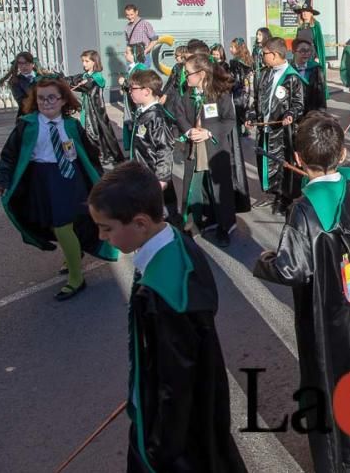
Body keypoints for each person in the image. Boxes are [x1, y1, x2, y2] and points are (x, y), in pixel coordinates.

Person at [87, 162, 245, 473]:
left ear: (141, 223)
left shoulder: (161, 293)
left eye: (107, 228)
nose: (102, 236)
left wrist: (158, 447)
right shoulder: (176, 242)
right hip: (199, 398)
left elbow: (175, 382)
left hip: (178, 428)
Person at [253, 113, 350, 471]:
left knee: (327, 382)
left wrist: (264, 260)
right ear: (342, 155)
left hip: (325, 316)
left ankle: (333, 461)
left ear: (298, 159)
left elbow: (291, 267)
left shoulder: (305, 209)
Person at [0, 76, 118, 300]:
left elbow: (90, 154)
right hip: (41, 181)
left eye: (52, 97)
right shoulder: (28, 125)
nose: (47, 102)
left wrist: (100, 179)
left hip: (70, 180)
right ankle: (74, 253)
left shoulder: (72, 125)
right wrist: (3, 180)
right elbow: (9, 155)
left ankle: (76, 278)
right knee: (54, 225)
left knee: (63, 226)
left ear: (63, 100)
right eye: (41, 98)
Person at [174, 55, 250, 246]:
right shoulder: (186, 93)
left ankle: (224, 227)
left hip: (215, 148)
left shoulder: (220, 94)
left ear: (201, 74)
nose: (185, 76)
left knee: (219, 189)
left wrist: (208, 132)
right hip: (194, 149)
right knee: (195, 187)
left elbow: (230, 119)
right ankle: (194, 222)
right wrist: (189, 130)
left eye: (188, 73)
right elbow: (179, 114)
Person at [247, 37, 305, 216]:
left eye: (264, 53)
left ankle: (284, 198)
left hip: (281, 132)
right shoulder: (263, 73)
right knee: (265, 162)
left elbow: (298, 104)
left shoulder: (292, 77)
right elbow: (256, 100)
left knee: (282, 165)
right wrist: (251, 116)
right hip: (264, 128)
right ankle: (271, 194)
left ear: (274, 54)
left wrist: (290, 114)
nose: (262, 56)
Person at [127, 68, 180, 228]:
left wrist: (162, 179)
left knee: (162, 217)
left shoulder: (157, 117)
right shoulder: (143, 112)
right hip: (143, 174)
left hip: (154, 178)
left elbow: (165, 148)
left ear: (147, 91)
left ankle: (175, 245)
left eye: (133, 89)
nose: (130, 92)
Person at [67, 50, 124, 165]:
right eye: (83, 61)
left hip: (96, 111)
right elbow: (74, 81)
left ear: (94, 62)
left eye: (87, 61)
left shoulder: (97, 77)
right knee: (90, 132)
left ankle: (102, 156)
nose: (84, 64)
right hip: (87, 110)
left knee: (98, 133)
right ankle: (96, 155)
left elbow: (88, 85)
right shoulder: (85, 76)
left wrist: (79, 83)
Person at [295, 3, 329, 100]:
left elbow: (318, 42)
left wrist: (318, 56)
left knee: (312, 78)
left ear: (311, 14)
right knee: (302, 76)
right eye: (303, 12)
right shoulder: (300, 26)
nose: (304, 14)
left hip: (312, 55)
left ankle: (314, 99)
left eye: (307, 12)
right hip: (301, 56)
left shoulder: (316, 25)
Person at [0, 51, 41, 119]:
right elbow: (22, 102)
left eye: (26, 63)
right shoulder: (15, 81)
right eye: (20, 64)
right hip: (28, 116)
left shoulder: (42, 77)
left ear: (32, 64)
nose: (23, 66)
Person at [292, 38, 327, 114]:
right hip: (293, 114)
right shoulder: (289, 70)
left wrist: (321, 113)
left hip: (311, 112)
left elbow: (321, 94)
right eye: (302, 50)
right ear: (293, 51)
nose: (306, 53)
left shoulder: (316, 69)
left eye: (309, 51)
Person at [227, 38, 254, 135]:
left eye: (232, 47)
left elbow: (235, 78)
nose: (230, 49)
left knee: (237, 115)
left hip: (238, 92)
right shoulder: (249, 60)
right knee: (246, 109)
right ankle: (247, 129)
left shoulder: (235, 62)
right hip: (247, 90)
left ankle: (238, 133)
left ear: (238, 48)